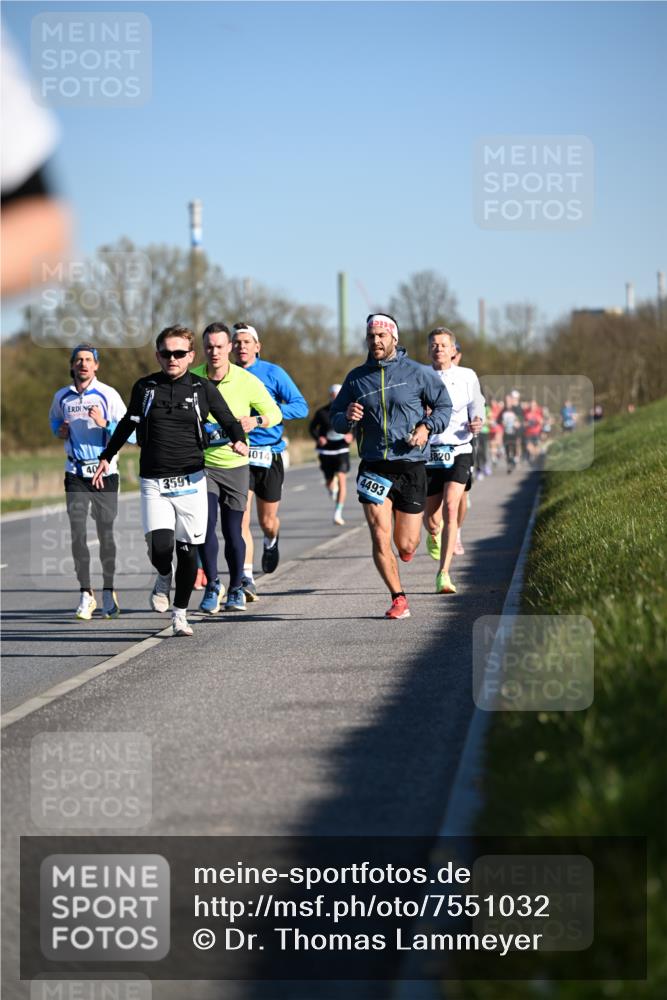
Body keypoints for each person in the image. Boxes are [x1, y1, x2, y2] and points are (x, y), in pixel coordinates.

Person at [92, 325, 247, 637]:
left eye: (179, 353)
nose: (172, 358)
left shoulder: (202, 389)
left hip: (191, 480)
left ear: (190, 356)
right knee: (162, 547)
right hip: (155, 481)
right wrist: (107, 455)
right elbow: (126, 424)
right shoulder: (145, 388)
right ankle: (164, 574)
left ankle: (180, 614)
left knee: (190, 551)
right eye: (166, 353)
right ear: (158, 355)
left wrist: (238, 439)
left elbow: (228, 418)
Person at [330, 313, 452, 620]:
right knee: (379, 535)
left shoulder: (417, 373)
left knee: (405, 542)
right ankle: (398, 597)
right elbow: (335, 417)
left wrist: (426, 427)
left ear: (394, 338)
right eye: (371, 336)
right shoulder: (357, 378)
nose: (376, 341)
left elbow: (443, 406)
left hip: (410, 464)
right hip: (373, 465)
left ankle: (410, 545)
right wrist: (347, 416)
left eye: (381, 336)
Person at [191, 322, 282, 612]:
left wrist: (254, 422)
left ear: (229, 347)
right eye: (209, 347)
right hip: (202, 465)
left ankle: (236, 588)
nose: (214, 352)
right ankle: (212, 585)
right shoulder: (191, 380)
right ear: (202, 349)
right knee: (204, 528)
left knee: (233, 530)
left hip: (237, 466)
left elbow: (275, 413)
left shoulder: (246, 380)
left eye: (220, 346)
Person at [48, 344, 129, 620]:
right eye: (78, 360)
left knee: (105, 533)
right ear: (72, 365)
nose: (83, 364)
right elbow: (55, 424)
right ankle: (86, 593)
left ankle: (108, 590)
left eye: (88, 360)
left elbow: (130, 433)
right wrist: (60, 431)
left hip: (105, 473)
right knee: (77, 533)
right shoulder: (62, 397)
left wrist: (105, 422)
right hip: (76, 473)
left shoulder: (108, 394)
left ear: (96, 366)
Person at [231, 322, 309, 587]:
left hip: (269, 454)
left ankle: (271, 539)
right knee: (240, 516)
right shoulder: (224, 375)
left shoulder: (273, 373)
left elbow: (301, 407)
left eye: (246, 342)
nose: (241, 346)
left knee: (267, 521)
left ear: (257, 346)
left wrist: (266, 417)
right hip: (237, 455)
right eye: (237, 342)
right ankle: (246, 576)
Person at [422, 328, 484, 595]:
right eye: (434, 345)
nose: (439, 349)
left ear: (453, 349)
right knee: (430, 519)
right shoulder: (420, 376)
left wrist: (478, 421)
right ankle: (434, 534)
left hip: (459, 448)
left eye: (443, 345)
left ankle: (444, 574)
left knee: (451, 507)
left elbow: (477, 404)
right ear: (429, 350)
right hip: (429, 452)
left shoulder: (467, 375)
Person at [309, 383, 353, 525]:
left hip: (341, 450)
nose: (336, 397)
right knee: (329, 482)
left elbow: (358, 427)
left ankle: (337, 513)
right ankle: (331, 487)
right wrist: (318, 438)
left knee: (342, 479)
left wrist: (352, 436)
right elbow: (312, 428)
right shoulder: (322, 412)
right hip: (326, 451)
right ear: (330, 396)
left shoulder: (349, 410)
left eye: (338, 395)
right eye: (333, 395)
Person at [499, 393, 524, 472]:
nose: (508, 402)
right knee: (506, 447)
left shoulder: (516, 409)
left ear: (511, 400)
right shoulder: (503, 410)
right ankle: (509, 462)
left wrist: (518, 423)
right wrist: (501, 422)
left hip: (514, 432)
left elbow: (521, 418)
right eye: (506, 400)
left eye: (509, 400)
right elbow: (498, 419)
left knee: (514, 446)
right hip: (506, 432)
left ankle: (514, 460)